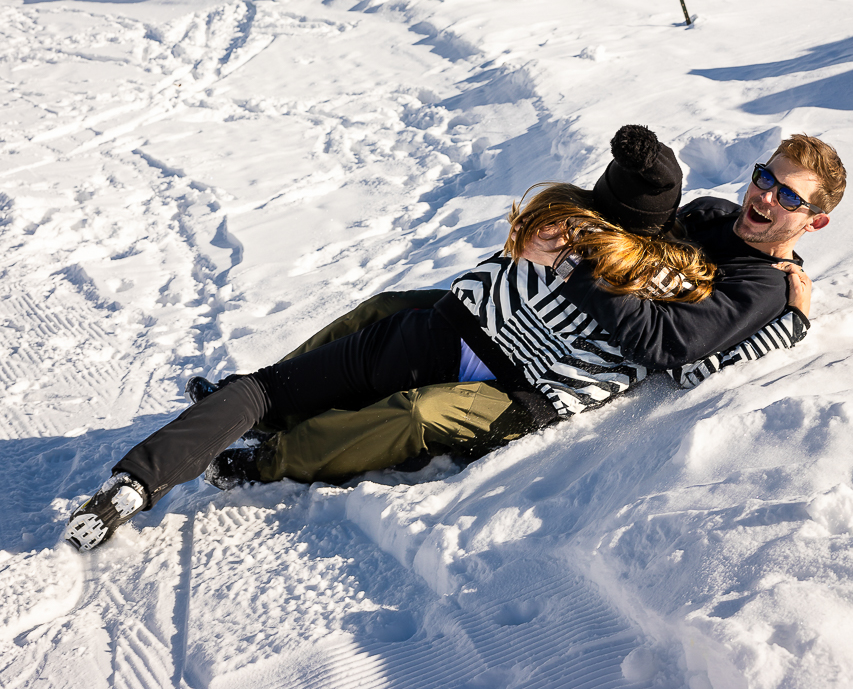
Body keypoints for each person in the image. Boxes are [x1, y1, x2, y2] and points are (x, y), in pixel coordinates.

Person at [65, 128, 842, 551]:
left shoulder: (763, 286)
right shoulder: (708, 215)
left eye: (785, 195)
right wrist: (577, 224)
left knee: (412, 414)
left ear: (814, 221)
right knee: (387, 310)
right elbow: (633, 228)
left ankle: (267, 455)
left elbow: (671, 348)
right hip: (501, 319)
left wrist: (583, 265)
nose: (762, 196)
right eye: (763, 176)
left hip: (533, 386)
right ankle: (267, 401)